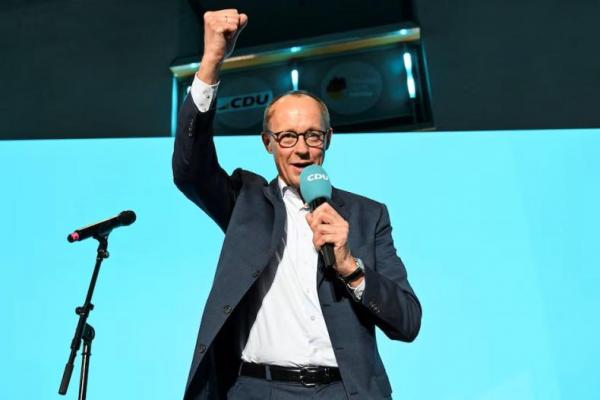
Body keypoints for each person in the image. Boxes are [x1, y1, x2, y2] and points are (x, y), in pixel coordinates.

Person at [172, 9, 421, 400]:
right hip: (256, 388)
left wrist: (350, 268)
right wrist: (211, 64)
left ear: (329, 139)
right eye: (287, 137)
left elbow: (407, 321)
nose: (302, 149)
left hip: (342, 391)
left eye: (312, 136)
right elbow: (190, 168)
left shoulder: (367, 216)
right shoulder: (246, 201)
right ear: (267, 143)